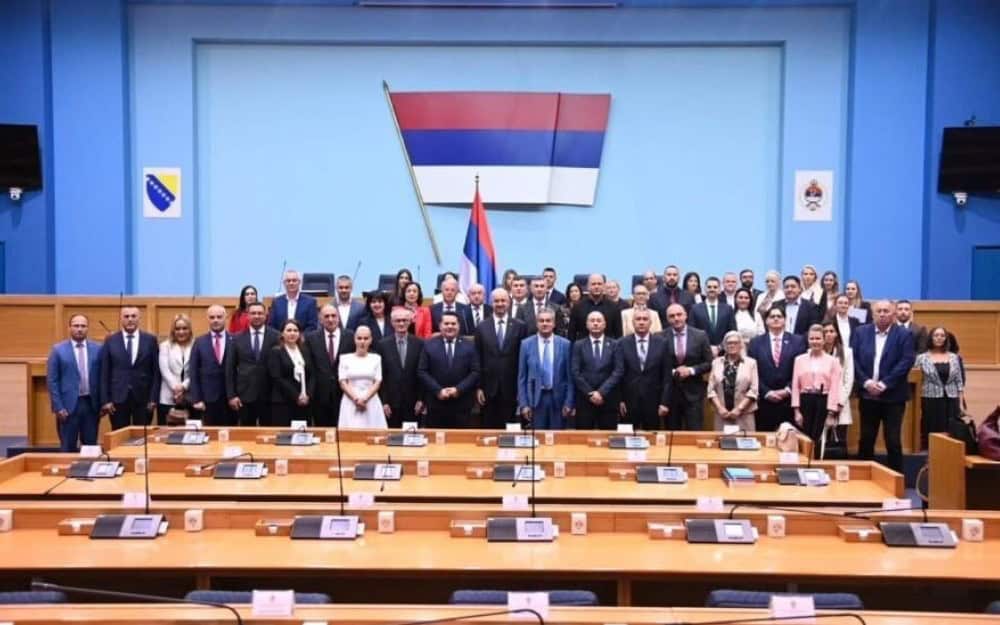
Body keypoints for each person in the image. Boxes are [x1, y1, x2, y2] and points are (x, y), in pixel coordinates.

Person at [853, 299, 916, 473]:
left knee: (893, 440)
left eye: (886, 311)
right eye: (878, 311)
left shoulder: (904, 334)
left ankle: (896, 479)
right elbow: (853, 360)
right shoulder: (860, 332)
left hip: (893, 397)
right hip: (868, 395)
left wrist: (885, 383)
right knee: (866, 439)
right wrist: (866, 382)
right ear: (873, 314)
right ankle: (863, 478)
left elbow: (906, 361)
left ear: (893, 314)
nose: (882, 314)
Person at [46, 314, 101, 451]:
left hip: (91, 404)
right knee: (67, 447)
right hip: (67, 406)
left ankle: (88, 466)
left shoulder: (97, 349)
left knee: (90, 447)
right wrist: (58, 407)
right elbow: (52, 381)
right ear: (69, 328)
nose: (79, 329)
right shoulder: (58, 350)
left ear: (87, 328)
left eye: (83, 326)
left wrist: (102, 402)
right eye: (76, 326)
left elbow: (102, 377)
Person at [475, 288, 528, 429]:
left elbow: (523, 360)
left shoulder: (520, 326)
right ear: (491, 303)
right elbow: (477, 359)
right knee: (488, 430)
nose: (500, 304)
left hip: (512, 388)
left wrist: (522, 390)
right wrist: (479, 387)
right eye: (496, 301)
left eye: (503, 300)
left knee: (510, 430)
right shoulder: (481, 327)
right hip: (488, 388)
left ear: (509, 303)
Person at [100, 306, 160, 429]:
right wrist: (106, 400)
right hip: (117, 399)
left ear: (139, 318)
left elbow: (156, 372)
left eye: (133, 316)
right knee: (119, 436)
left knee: (142, 436)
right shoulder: (111, 340)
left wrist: (153, 398)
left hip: (144, 398)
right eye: (126, 316)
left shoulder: (150, 340)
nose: (130, 319)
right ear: (121, 319)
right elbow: (104, 372)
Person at [747, 307, 806, 431]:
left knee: (788, 438)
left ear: (785, 320)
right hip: (764, 401)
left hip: (789, 401)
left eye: (779, 316)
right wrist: (766, 392)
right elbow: (752, 372)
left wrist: (787, 390)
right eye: (772, 316)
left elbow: (801, 371)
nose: (776, 319)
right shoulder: (755, 343)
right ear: (766, 321)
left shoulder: (798, 341)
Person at [417, 311, 480, 428]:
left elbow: (475, 371)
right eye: (446, 323)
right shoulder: (428, 345)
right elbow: (422, 371)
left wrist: (459, 389)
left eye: (453, 323)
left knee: (460, 437)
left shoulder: (470, 345)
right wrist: (438, 390)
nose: (450, 326)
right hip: (436, 403)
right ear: (440, 326)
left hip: (462, 403)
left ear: (459, 326)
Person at [517, 309, 574, 430]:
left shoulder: (565, 344)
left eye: (548, 321)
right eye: (541, 321)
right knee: (537, 438)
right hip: (535, 400)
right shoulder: (526, 344)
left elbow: (570, 377)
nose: (545, 324)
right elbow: (522, 377)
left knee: (557, 438)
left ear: (554, 324)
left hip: (558, 399)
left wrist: (569, 402)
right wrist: (524, 404)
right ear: (536, 324)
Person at [791, 324, 843, 455]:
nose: (815, 341)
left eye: (818, 338)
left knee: (818, 438)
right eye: (812, 338)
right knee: (803, 437)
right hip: (805, 400)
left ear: (824, 340)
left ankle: (816, 463)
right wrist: (796, 411)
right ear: (808, 340)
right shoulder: (799, 360)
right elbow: (795, 386)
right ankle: (803, 463)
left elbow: (835, 388)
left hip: (823, 401)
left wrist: (831, 414)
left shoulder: (833, 361)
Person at [225, 302, 279, 426]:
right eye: (253, 313)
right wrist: (231, 395)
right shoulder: (236, 339)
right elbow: (230, 369)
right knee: (246, 433)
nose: (256, 316)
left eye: (260, 313)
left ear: (266, 316)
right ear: (248, 316)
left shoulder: (276, 337)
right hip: (244, 395)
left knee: (269, 433)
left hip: (269, 395)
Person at [662, 304, 713, 430]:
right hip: (670, 395)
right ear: (667, 319)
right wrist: (674, 372)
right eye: (672, 316)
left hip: (693, 393)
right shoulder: (660, 336)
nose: (676, 318)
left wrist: (691, 370)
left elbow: (709, 363)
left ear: (685, 316)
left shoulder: (700, 335)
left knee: (694, 432)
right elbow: (657, 365)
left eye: (679, 315)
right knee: (672, 434)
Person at [618, 308, 670, 431]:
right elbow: (618, 374)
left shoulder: (662, 343)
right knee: (626, 437)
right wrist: (620, 400)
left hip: (653, 401)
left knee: (652, 437)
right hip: (628, 401)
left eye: (645, 319)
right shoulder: (622, 343)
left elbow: (666, 376)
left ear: (650, 322)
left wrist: (664, 402)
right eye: (638, 319)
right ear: (632, 322)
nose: (641, 322)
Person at [571, 311, 624, 430]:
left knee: (608, 436)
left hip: (608, 399)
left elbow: (618, 371)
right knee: (583, 437)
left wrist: (601, 392)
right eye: (592, 321)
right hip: (585, 400)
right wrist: (590, 393)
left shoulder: (615, 344)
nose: (595, 323)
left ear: (604, 324)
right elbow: (575, 372)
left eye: (599, 321)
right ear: (586, 324)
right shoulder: (578, 345)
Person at [305, 305, 355, 427]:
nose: (330, 319)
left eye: (333, 316)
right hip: (320, 395)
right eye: (326, 316)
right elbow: (310, 368)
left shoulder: (350, 336)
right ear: (320, 319)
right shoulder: (311, 338)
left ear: (338, 318)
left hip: (345, 394)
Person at [915, 326, 965, 449]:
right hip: (930, 398)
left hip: (951, 398)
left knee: (951, 429)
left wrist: (960, 401)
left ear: (946, 339)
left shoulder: (954, 357)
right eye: (936, 335)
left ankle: (949, 452)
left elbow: (959, 380)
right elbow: (916, 379)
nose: (939, 338)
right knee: (932, 429)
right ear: (931, 338)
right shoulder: (921, 358)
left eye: (942, 335)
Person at [376, 307, 424, 428]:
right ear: (392, 323)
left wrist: (421, 399)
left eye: (404, 320)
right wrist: (384, 402)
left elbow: (422, 374)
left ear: (410, 322)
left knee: (412, 437)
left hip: (413, 403)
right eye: (398, 321)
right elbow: (381, 376)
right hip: (391, 404)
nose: (401, 323)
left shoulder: (419, 344)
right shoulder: (382, 345)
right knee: (392, 437)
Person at [190, 305, 236, 426]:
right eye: (212, 317)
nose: (215, 320)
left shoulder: (235, 340)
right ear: (207, 319)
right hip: (207, 399)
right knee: (210, 433)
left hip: (230, 398)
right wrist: (197, 398)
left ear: (225, 318)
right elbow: (193, 372)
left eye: (219, 317)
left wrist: (236, 395)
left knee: (231, 433)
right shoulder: (199, 342)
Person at [707, 331, 759, 432]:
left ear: (741, 345)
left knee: (745, 441)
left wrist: (739, 409)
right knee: (722, 441)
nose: (732, 345)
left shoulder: (751, 363)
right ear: (724, 346)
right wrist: (720, 408)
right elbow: (711, 390)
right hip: (722, 414)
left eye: (735, 343)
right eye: (729, 343)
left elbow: (754, 390)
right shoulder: (716, 363)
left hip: (744, 414)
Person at [337, 326, 386, 429]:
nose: (362, 341)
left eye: (365, 338)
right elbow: (342, 382)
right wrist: (356, 399)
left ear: (370, 340)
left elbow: (377, 382)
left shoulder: (376, 358)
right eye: (359, 338)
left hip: (370, 400)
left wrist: (365, 399)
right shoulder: (344, 358)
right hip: (350, 400)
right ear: (354, 339)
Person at [267, 319, 314, 427]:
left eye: (295, 330)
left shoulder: (305, 350)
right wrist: (296, 396)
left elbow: (312, 375)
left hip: (304, 403)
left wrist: (308, 395)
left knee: (302, 434)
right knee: (285, 435)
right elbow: (277, 377)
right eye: (289, 330)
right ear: (282, 333)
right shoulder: (276, 351)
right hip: (283, 402)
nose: (292, 333)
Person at [822, 320, 854, 453]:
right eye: (825, 332)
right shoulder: (813, 352)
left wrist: (840, 402)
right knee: (820, 443)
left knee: (838, 443)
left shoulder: (846, 352)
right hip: (821, 402)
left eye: (831, 331)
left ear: (837, 334)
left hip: (840, 404)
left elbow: (848, 380)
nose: (828, 334)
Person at [157, 314, 194, 425]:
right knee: (167, 433)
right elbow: (164, 370)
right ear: (173, 330)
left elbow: (196, 370)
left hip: (190, 397)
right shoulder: (165, 346)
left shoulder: (196, 345)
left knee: (190, 432)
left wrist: (184, 386)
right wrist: (176, 388)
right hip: (168, 396)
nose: (181, 332)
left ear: (190, 330)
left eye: (184, 328)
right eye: (177, 329)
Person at [567, 274, 623, 341]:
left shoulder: (614, 307)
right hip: (583, 346)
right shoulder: (578, 307)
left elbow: (619, 335)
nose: (596, 286)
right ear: (587, 287)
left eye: (599, 284)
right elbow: (571, 334)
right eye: (593, 284)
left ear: (604, 286)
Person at [689, 276, 736, 355]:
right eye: (709, 287)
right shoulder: (695, 308)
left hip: (724, 352)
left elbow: (732, 332)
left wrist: (719, 347)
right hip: (701, 352)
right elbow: (692, 332)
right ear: (705, 289)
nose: (712, 289)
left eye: (715, 287)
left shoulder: (728, 309)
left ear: (720, 290)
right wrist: (707, 347)